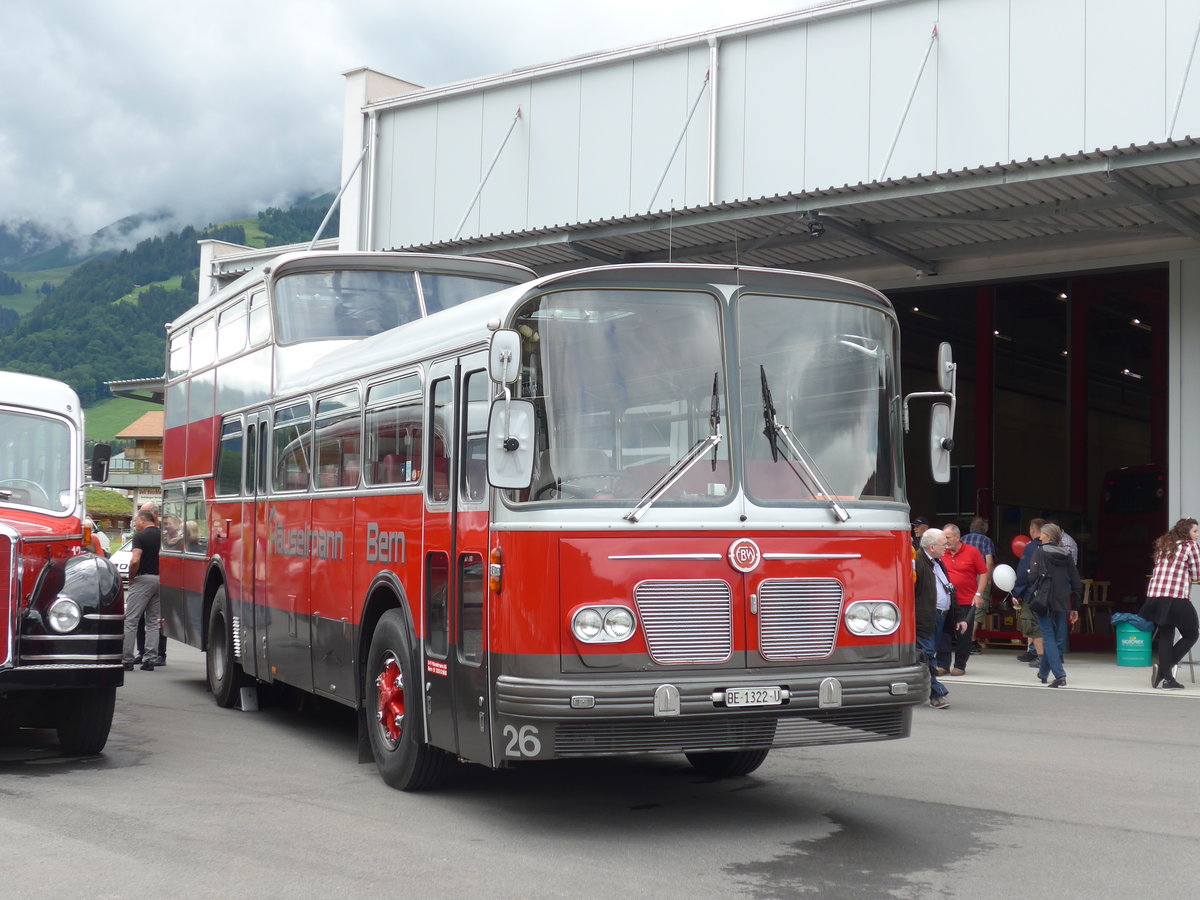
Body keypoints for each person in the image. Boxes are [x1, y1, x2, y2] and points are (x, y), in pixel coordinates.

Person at [1139, 517, 1200, 690]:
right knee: (1191, 634)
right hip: (1175, 596)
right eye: (1195, 531)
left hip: (1156, 595)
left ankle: (1167, 678)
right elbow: (1197, 574)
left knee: (1166, 635)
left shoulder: (1164, 544)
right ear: (1186, 531)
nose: (1197, 535)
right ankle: (1163, 673)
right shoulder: (1190, 546)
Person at [1026, 523, 1082, 687]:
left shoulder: (1039, 551)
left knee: (1048, 636)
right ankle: (1043, 673)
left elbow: (1032, 577)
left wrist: (1030, 575)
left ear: (1049, 536)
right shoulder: (1067, 554)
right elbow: (1076, 582)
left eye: (1042, 534)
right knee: (1056, 638)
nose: (1040, 536)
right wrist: (1075, 606)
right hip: (1062, 600)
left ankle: (1059, 675)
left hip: (1045, 599)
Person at [936, 523, 988, 676]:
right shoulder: (941, 552)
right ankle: (943, 665)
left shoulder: (972, 552)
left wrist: (979, 594)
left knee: (964, 635)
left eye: (948, 537)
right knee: (944, 634)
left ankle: (960, 665)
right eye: (943, 537)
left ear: (957, 537)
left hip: (966, 600)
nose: (945, 541)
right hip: (945, 601)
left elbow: (983, 572)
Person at [915, 528, 953, 708]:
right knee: (928, 655)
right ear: (931, 547)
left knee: (926, 656)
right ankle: (936, 694)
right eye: (943, 544)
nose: (947, 547)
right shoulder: (917, 562)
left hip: (939, 617)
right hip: (925, 618)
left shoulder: (938, 563)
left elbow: (949, 588)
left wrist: (959, 617)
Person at [123, 510, 162, 672]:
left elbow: (135, 560)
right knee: (153, 621)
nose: (134, 524)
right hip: (160, 580)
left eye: (135, 521)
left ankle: (126, 659)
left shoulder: (140, 537)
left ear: (143, 519)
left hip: (143, 579)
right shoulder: (162, 536)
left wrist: (131, 577)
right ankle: (150, 659)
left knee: (131, 620)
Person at [1013, 518, 1046, 666]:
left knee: (1033, 625)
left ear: (1032, 530)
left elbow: (1023, 573)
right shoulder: (1055, 548)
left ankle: (1041, 656)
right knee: (1049, 625)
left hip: (1033, 593)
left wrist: (1017, 592)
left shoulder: (1031, 548)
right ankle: (1050, 655)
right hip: (1052, 594)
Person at [961, 516, 995, 653]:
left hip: (964, 577)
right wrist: (989, 577)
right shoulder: (986, 541)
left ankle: (963, 638)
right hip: (980, 578)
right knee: (978, 609)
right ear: (984, 529)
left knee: (964, 607)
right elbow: (989, 561)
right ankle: (971, 640)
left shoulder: (962, 539)